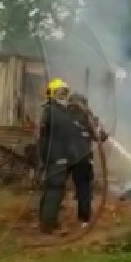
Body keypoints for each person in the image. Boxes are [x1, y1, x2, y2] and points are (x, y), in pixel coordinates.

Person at [36, 77, 83, 234]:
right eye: (59, 92)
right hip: (58, 158)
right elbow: (68, 132)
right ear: (52, 94)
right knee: (55, 189)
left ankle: (45, 220)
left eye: (64, 92)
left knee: (50, 188)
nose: (63, 96)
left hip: (54, 157)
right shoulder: (57, 113)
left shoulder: (51, 111)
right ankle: (48, 224)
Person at [67, 92, 109, 227]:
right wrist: (101, 131)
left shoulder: (64, 114)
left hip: (64, 158)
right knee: (83, 187)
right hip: (83, 159)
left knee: (56, 186)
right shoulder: (88, 117)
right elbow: (101, 136)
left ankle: (51, 219)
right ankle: (84, 218)